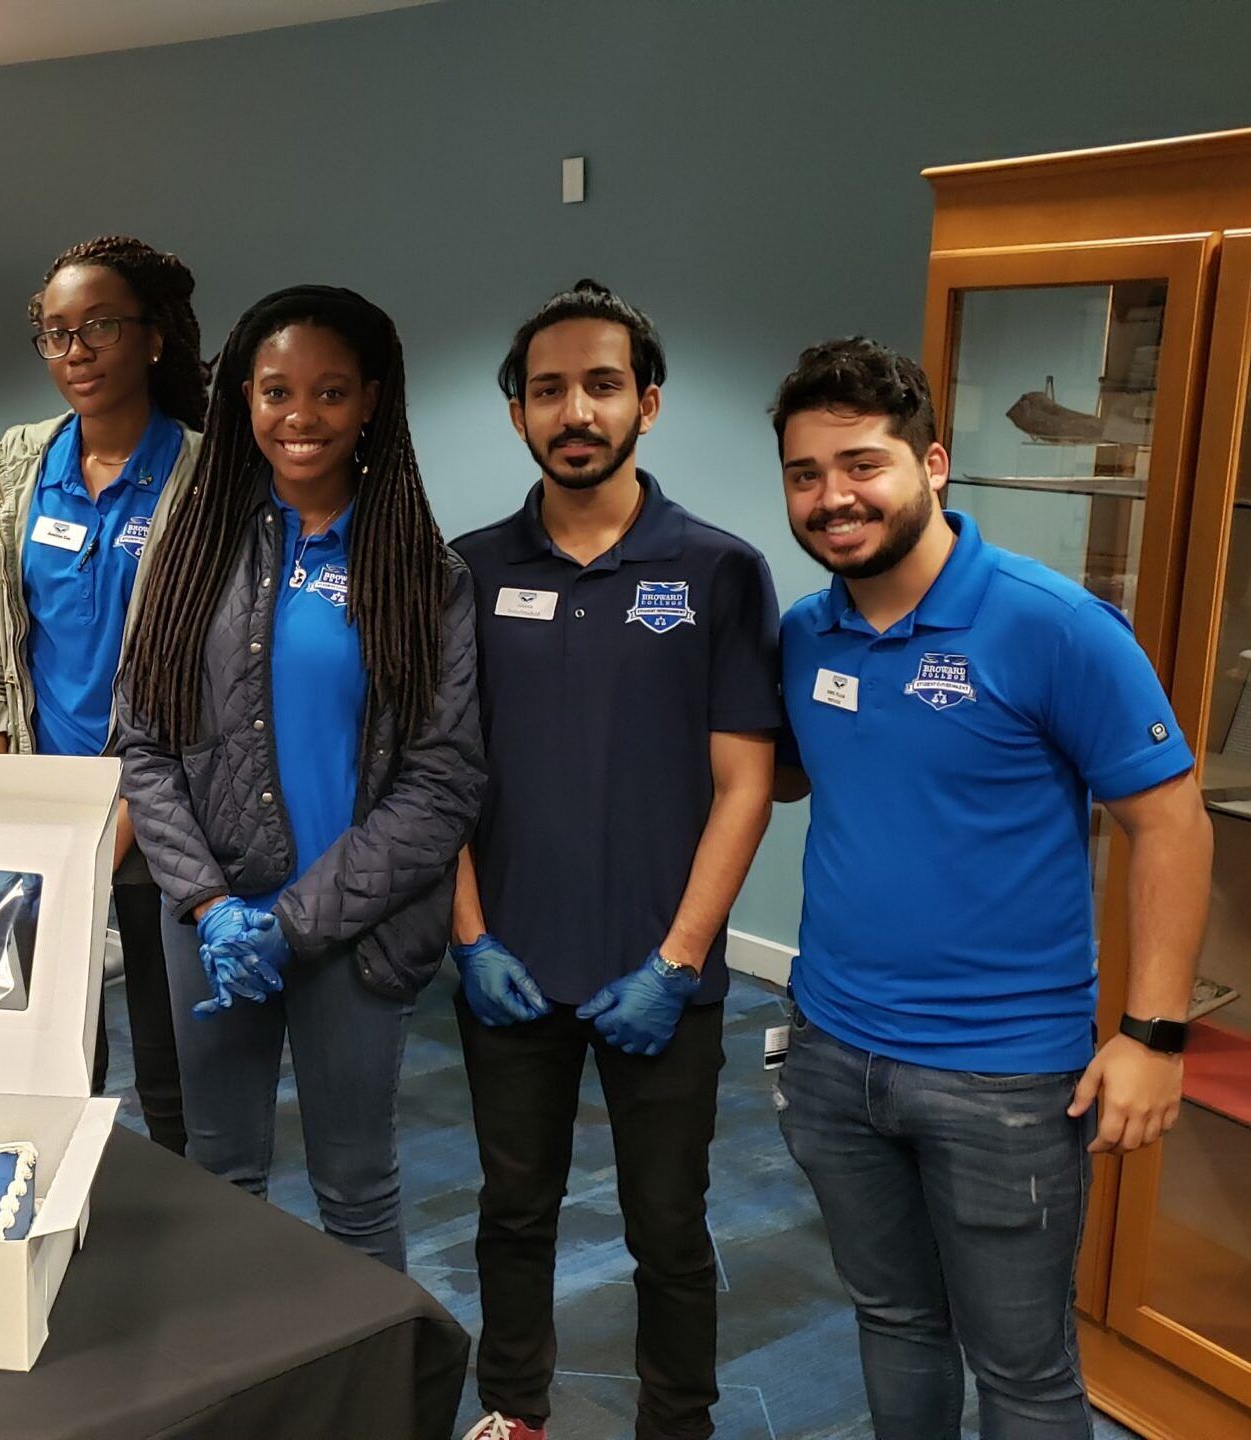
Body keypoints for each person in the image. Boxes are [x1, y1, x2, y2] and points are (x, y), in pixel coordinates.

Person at [768, 338, 1209, 1440]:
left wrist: (1152, 1037)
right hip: (830, 1051)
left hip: (1003, 1077)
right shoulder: (802, 633)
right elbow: (772, 778)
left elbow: (1169, 823)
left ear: (933, 463)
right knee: (893, 1320)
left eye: (861, 465)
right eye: (805, 473)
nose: (832, 498)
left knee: (1020, 1369)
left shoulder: (1049, 624)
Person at [450, 279, 781, 1440]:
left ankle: (674, 1422)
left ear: (648, 403)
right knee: (511, 1212)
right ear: (517, 415)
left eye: (600, 386)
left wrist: (680, 960)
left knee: (669, 1226)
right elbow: (440, 780)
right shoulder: (470, 571)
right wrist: (470, 936)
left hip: (663, 973)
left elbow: (745, 785)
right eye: (548, 390)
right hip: (512, 965)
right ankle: (512, 1412)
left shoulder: (718, 570)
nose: (574, 411)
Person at [117, 285, 483, 1269]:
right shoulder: (192, 552)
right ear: (244, 399)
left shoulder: (420, 572)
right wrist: (206, 903)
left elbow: (443, 783)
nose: (299, 417)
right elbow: (142, 747)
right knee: (219, 1176)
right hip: (210, 927)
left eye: (328, 392)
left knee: (356, 1189)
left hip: (354, 936)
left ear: (369, 400)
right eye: (276, 391)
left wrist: (292, 923)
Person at [0, 235, 209, 1154]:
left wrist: (112, 831)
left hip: (162, 809)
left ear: (150, 338)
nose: (76, 352)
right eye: (56, 334)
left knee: (173, 1059)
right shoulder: (19, 465)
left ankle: (185, 1237)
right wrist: (1, 802)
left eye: (99, 326)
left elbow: (196, 672)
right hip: (34, 798)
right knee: (51, 1055)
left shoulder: (206, 475)